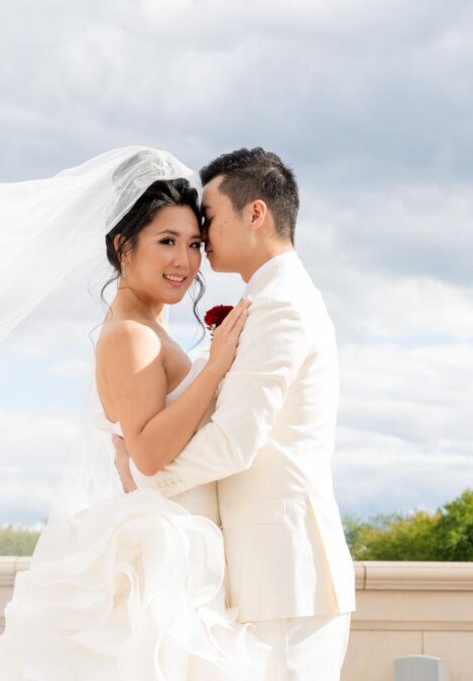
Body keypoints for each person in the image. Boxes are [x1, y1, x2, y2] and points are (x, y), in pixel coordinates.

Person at [0, 174, 270, 679]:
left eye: (195, 244)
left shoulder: (145, 330)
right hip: (164, 548)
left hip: (181, 539)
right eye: (166, 242)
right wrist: (215, 366)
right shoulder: (131, 337)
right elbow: (148, 453)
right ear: (123, 246)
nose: (184, 261)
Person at [114, 148, 356, 681]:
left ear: (255, 214)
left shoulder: (283, 304)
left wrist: (146, 476)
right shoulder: (267, 299)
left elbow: (236, 442)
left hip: (288, 575)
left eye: (210, 218)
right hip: (264, 574)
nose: (204, 233)